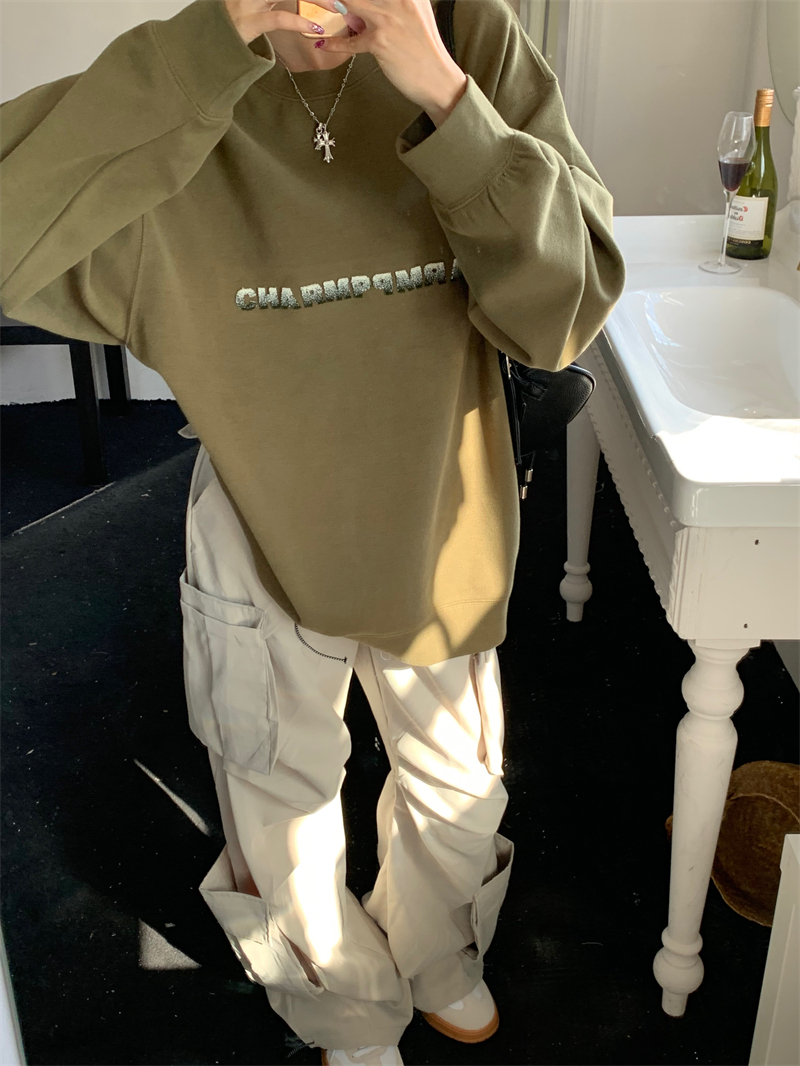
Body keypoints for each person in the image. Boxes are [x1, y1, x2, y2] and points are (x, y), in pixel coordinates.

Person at [0, 1, 626, 1062]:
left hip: (441, 502)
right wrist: (211, 46)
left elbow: (565, 308)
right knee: (275, 788)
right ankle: (343, 1009)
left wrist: (443, 95)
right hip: (258, 509)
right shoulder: (187, 83)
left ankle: (435, 952)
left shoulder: (469, 34)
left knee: (458, 777)